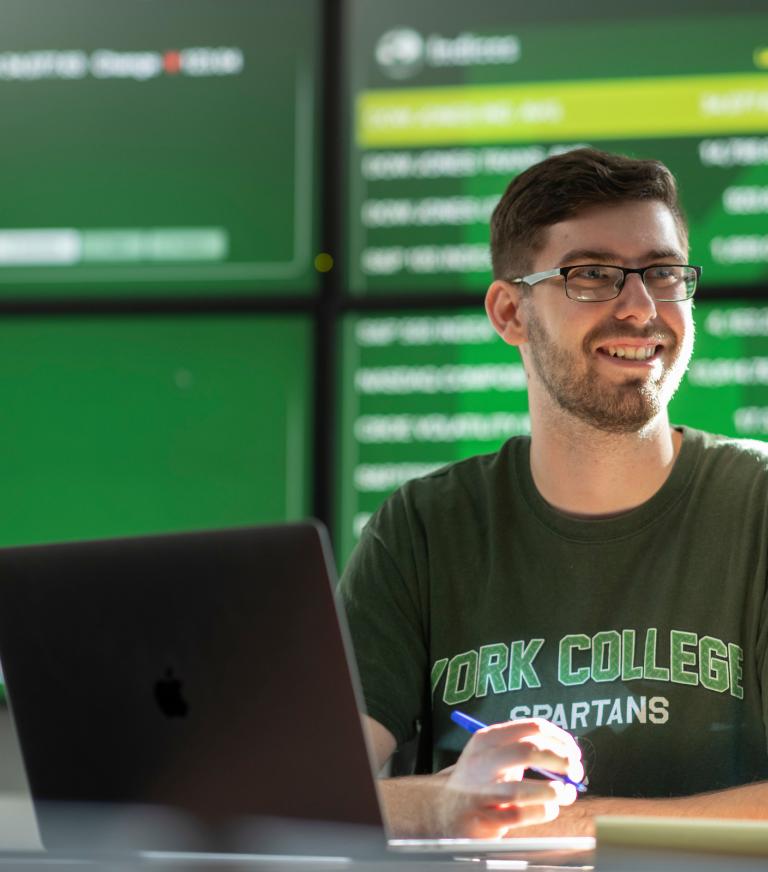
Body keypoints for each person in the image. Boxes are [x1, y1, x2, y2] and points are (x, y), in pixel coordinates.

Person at [338, 148, 768, 838]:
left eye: (662, 272)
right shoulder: (420, 528)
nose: (641, 307)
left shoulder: (757, 506)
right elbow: (311, 795)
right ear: (510, 312)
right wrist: (446, 804)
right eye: (592, 275)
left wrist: (566, 826)